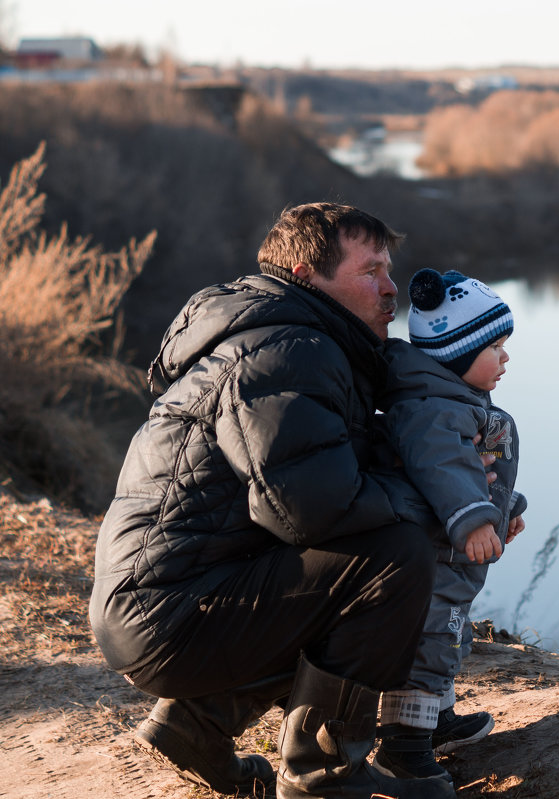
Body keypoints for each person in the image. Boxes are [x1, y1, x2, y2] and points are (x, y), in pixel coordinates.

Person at [89, 203, 457, 799]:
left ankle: (198, 724)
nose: (391, 288)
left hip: (162, 603)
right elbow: (311, 509)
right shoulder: (291, 349)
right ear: (307, 274)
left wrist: (459, 489)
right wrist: (436, 508)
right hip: (169, 613)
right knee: (396, 558)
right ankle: (322, 774)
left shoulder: (294, 340)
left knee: (359, 558)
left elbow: (317, 477)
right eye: (371, 271)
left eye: (390, 270)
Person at [372, 269, 527, 785]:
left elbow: (475, 469)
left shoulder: (454, 398)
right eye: (495, 347)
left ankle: (435, 721)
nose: (505, 358)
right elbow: (442, 468)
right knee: (429, 642)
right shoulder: (434, 410)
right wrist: (475, 519)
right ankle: (402, 749)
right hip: (435, 556)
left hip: (453, 555)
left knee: (448, 639)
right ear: (457, 353)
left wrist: (505, 508)